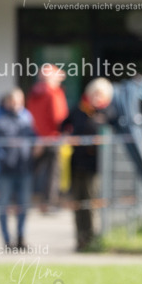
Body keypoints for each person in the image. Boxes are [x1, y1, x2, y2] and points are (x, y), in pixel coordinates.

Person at [61, 78, 114, 252]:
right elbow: (63, 125)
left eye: (100, 94)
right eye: (94, 94)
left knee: (91, 204)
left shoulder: (108, 112)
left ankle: (92, 240)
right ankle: (80, 239)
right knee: (77, 204)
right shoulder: (78, 110)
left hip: (94, 167)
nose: (96, 98)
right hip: (76, 164)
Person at [0, 88, 38, 250]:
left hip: (24, 169)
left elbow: (33, 137)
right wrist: (2, 157)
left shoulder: (26, 116)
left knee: (24, 205)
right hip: (4, 171)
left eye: (19, 101)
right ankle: (7, 240)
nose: (16, 105)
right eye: (13, 101)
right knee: (3, 206)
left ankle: (21, 237)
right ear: (6, 101)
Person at [26, 63, 69, 213]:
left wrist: (38, 139)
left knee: (33, 171)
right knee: (52, 174)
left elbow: (30, 118)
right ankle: (49, 204)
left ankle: (25, 199)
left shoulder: (33, 94)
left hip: (36, 139)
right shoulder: (54, 93)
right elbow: (58, 118)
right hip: (52, 139)